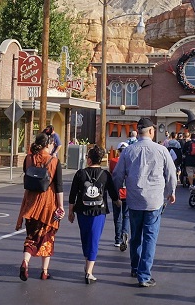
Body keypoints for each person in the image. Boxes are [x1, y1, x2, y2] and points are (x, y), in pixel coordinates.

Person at [113, 117, 177, 288]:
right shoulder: (161, 150)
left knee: (136, 236)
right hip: (154, 200)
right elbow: (171, 174)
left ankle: (135, 267)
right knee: (150, 237)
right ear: (150, 131)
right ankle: (144, 275)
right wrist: (172, 192)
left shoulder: (128, 151)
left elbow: (118, 175)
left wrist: (116, 194)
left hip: (134, 199)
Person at [68, 146, 120, 284]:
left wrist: (70, 211)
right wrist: (118, 202)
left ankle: (88, 265)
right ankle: (89, 271)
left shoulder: (80, 174)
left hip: (82, 210)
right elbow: (113, 192)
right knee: (94, 239)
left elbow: (73, 194)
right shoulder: (105, 175)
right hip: (99, 211)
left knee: (85, 237)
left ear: (89, 159)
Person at [17, 132, 64, 281]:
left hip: (30, 202)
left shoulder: (28, 158)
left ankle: (25, 261)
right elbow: (59, 186)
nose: (53, 147)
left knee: (31, 236)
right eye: (52, 144)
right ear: (47, 145)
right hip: (48, 203)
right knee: (47, 237)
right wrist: (61, 206)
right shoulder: (54, 162)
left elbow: (28, 175)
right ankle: (44, 271)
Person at [110, 142, 130, 251]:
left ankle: (117, 239)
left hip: (117, 191)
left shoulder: (113, 161)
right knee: (126, 215)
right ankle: (125, 233)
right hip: (128, 191)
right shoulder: (130, 161)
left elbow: (111, 175)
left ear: (118, 150)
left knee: (117, 216)